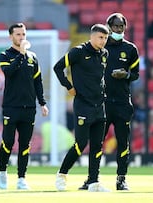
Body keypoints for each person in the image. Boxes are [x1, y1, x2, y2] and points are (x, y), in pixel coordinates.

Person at [78, 13, 139, 191]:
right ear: (108, 26)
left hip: (122, 103)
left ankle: (121, 179)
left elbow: (135, 74)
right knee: (97, 143)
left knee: (123, 142)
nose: (118, 30)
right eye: (115, 26)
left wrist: (125, 74)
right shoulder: (99, 48)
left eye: (121, 27)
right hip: (102, 103)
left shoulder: (131, 49)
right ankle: (92, 179)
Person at [53, 23, 110, 192]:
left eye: (105, 38)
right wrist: (68, 87)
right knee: (80, 144)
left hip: (99, 105)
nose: (103, 41)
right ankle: (61, 174)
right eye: (100, 37)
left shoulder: (104, 54)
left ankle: (93, 182)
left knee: (97, 145)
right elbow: (58, 68)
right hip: (83, 105)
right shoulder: (78, 52)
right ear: (91, 36)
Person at [0, 23, 49, 190]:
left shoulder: (33, 57)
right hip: (11, 107)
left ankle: (21, 178)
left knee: (25, 144)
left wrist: (42, 103)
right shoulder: (5, 55)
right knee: (8, 142)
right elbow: (9, 72)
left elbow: (37, 82)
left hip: (29, 108)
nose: (21, 37)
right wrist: (21, 54)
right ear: (10, 36)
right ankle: (2, 172)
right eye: (18, 34)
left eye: (23, 34)